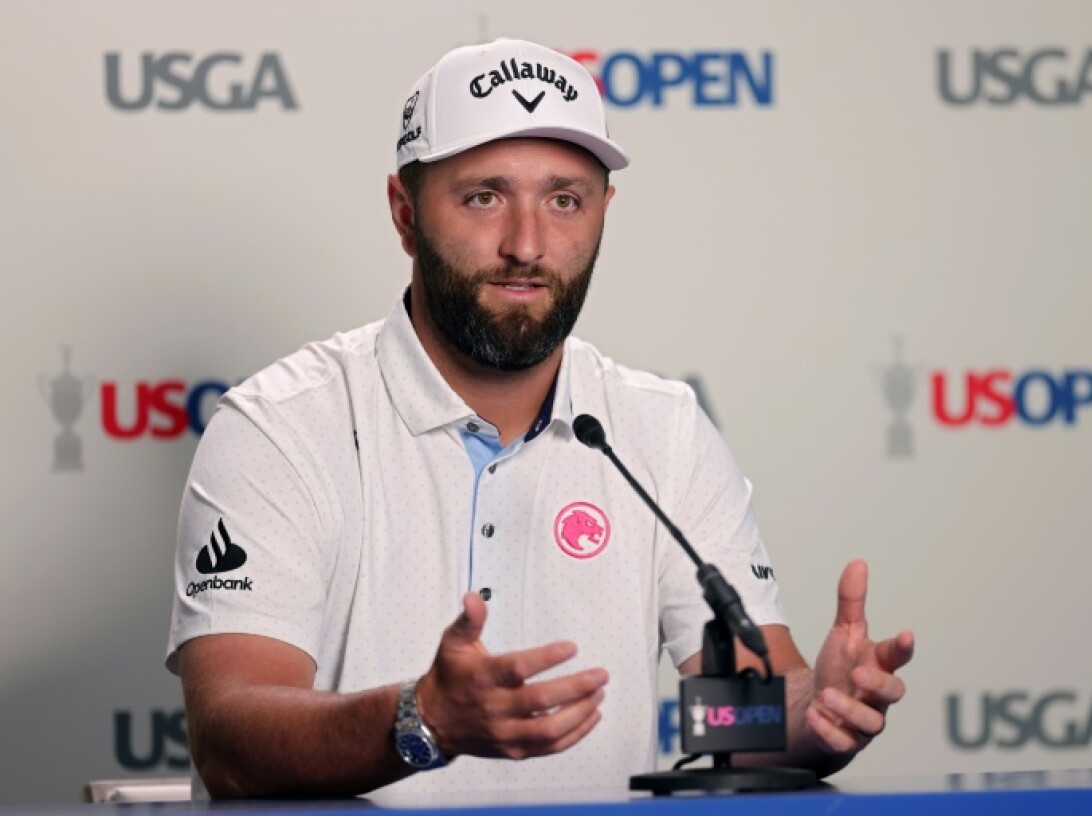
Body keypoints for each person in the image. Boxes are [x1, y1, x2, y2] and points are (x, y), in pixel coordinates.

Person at [166, 38, 914, 801]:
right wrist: (420, 721)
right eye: (483, 196)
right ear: (404, 212)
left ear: (602, 213)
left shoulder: (662, 431)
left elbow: (732, 719)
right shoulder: (282, 425)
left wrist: (810, 715)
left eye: (564, 200)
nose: (527, 246)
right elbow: (230, 733)